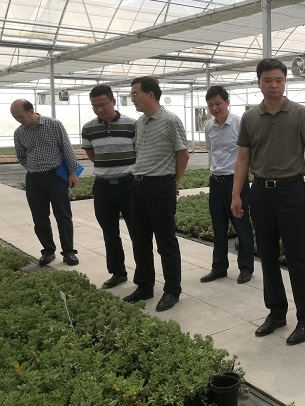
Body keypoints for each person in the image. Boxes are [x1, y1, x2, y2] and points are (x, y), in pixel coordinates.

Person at [231, 58, 305, 346]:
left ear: (285, 82)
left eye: (279, 80)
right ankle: (276, 312)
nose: (274, 85)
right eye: (268, 80)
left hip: (291, 190)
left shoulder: (300, 113)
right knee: (267, 254)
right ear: (259, 82)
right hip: (260, 191)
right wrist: (236, 193)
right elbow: (243, 158)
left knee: (297, 256)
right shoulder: (249, 117)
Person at [123, 76, 190, 312]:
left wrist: (174, 181)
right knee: (140, 239)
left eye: (135, 94)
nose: (133, 99)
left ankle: (172, 290)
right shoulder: (140, 122)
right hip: (138, 184)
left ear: (150, 94)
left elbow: (183, 153)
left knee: (165, 240)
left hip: (160, 185)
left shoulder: (170, 120)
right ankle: (145, 285)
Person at [11, 99, 80, 267]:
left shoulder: (54, 125)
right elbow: (21, 156)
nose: (18, 120)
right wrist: (33, 167)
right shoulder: (19, 133)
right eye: (15, 117)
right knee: (39, 217)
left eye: (20, 116)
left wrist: (72, 172)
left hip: (55, 177)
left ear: (31, 111)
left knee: (63, 215)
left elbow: (67, 149)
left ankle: (68, 251)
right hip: (34, 179)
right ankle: (48, 251)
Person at [81, 85, 136, 289]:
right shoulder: (89, 128)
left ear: (113, 101)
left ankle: (143, 273)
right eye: (95, 106)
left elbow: (139, 152)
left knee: (137, 231)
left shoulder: (132, 125)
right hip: (103, 187)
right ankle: (118, 272)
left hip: (129, 185)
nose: (99, 109)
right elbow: (92, 154)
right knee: (110, 233)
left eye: (103, 104)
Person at [201, 85, 255, 285]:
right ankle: (219, 268)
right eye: (210, 105)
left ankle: (246, 268)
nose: (214, 108)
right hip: (216, 181)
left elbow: (248, 154)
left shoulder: (240, 124)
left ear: (227, 102)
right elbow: (211, 150)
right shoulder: (209, 126)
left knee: (242, 225)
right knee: (218, 227)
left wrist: (239, 186)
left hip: (236, 181)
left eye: (218, 104)